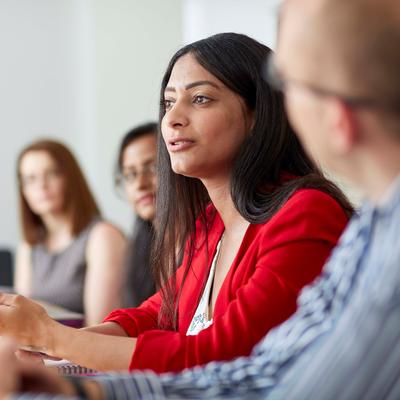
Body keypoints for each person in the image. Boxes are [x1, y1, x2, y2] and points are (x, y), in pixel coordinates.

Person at [0, 32, 350, 377]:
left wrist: (51, 336)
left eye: (200, 99)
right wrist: (48, 347)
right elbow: (154, 315)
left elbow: (222, 355)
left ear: (258, 115)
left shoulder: (306, 212)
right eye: (168, 103)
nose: (171, 119)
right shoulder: (212, 223)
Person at [14, 139, 127, 325]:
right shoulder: (29, 245)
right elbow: (22, 320)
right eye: (30, 179)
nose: (41, 186)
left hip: (82, 349)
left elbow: (98, 327)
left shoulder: (103, 236)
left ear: (70, 178)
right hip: (35, 348)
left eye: (51, 174)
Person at [114, 122, 158, 307]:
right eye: (131, 174)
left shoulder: (205, 243)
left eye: (153, 168)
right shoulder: (138, 249)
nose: (140, 184)